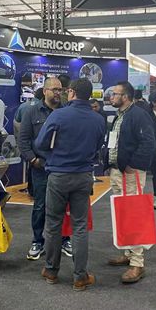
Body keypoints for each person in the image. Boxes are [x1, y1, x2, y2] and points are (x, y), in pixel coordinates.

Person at [34, 78, 106, 291]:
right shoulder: (98, 119)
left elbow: (40, 143)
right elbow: (98, 147)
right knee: (80, 226)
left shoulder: (58, 115)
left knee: (53, 224)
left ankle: (51, 271)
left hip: (58, 175)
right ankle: (80, 276)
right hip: (83, 175)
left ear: (72, 92)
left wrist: (53, 155)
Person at [105, 81, 155, 284]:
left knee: (133, 215)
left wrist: (133, 165)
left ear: (125, 96)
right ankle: (128, 253)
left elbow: (148, 143)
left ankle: (137, 263)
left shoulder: (138, 115)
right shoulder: (121, 115)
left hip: (130, 174)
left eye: (115, 94)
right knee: (123, 214)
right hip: (118, 172)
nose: (111, 97)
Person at [20, 77, 72, 260]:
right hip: (40, 168)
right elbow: (23, 140)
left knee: (64, 205)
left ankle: (65, 239)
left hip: (62, 168)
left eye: (60, 90)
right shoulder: (31, 112)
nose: (58, 93)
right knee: (40, 205)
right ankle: (37, 241)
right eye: (54, 89)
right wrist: (33, 160)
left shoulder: (66, 112)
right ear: (44, 91)